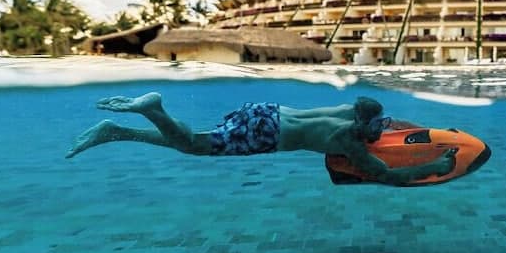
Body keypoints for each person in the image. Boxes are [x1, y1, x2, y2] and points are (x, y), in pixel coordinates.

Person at [66, 93, 456, 186]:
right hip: (270, 133)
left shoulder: (349, 109)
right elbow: (387, 175)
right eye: (377, 127)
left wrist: (437, 135)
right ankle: (154, 110)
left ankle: (116, 132)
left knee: (200, 140)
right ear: (361, 124)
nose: (381, 131)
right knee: (194, 146)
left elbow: (396, 124)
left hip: (266, 111)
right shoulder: (349, 140)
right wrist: (436, 165)